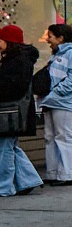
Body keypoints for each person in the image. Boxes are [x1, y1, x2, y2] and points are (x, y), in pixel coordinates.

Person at [37, 23, 72, 186]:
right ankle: (55, 172)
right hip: (54, 101)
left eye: (50, 36)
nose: (47, 40)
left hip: (63, 102)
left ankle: (69, 173)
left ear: (60, 38)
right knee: (51, 137)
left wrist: (57, 92)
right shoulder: (61, 54)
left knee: (64, 136)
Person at [0, 24, 43, 197]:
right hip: (13, 111)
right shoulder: (18, 59)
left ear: (8, 41)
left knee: (5, 149)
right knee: (10, 147)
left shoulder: (18, 61)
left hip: (10, 112)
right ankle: (28, 180)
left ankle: (4, 186)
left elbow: (14, 86)